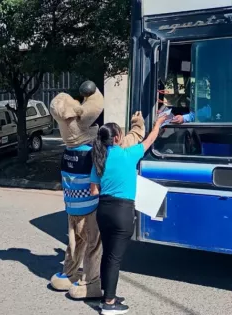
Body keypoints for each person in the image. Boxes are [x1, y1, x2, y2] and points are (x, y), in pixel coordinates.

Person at [48, 81, 146, 300]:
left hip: (72, 210)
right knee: (94, 246)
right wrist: (138, 125)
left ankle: (68, 274)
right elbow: (129, 142)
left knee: (75, 242)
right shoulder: (94, 151)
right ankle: (90, 283)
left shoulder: (68, 150)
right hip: (90, 210)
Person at [90, 114, 168, 314]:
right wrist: (158, 122)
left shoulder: (99, 159)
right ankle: (109, 304)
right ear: (116, 138)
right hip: (121, 212)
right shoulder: (127, 154)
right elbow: (150, 140)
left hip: (103, 211)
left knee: (107, 254)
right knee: (114, 259)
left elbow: (94, 191)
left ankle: (107, 295)